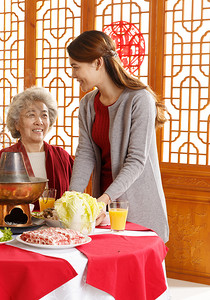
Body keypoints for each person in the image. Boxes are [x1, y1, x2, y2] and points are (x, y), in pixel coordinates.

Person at [66, 30, 169, 242]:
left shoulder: (140, 100)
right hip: (102, 210)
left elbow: (136, 161)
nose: (73, 74)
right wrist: (72, 201)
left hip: (135, 207)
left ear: (97, 63)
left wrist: (102, 201)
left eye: (76, 67)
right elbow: (85, 153)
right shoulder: (87, 105)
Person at [0, 86, 74, 211]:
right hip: (17, 227)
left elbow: (76, 195)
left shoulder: (62, 156)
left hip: (56, 228)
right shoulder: (5, 157)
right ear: (17, 123)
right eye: (31, 115)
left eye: (44, 115)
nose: (39, 122)